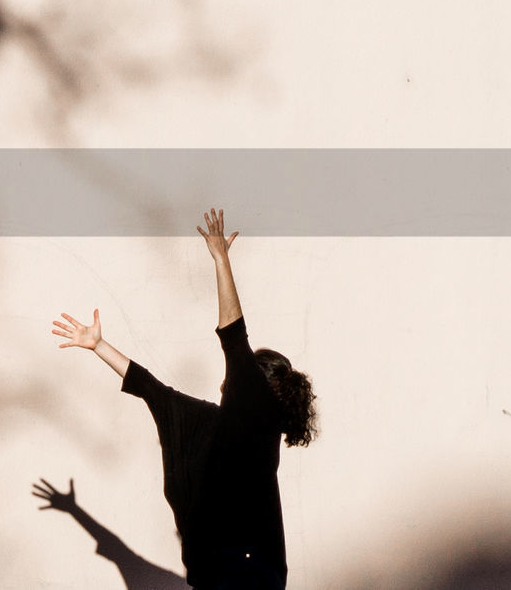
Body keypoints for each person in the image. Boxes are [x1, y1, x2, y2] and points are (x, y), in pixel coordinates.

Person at [49, 209, 318, 590]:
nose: (228, 381)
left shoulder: (255, 412)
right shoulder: (214, 423)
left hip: (244, 574)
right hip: (232, 574)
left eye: (238, 377)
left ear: (255, 386)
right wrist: (98, 345)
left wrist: (221, 261)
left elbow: (234, 336)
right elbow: (153, 390)